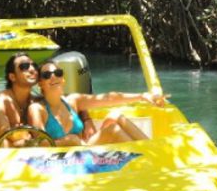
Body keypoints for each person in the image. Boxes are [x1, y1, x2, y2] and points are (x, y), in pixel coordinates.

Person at [28, 60, 167, 146]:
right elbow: (41, 144)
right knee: (113, 130)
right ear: (40, 83)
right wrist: (67, 141)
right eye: (47, 75)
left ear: (63, 79)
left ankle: (151, 150)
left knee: (115, 115)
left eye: (57, 73)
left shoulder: (73, 101)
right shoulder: (37, 109)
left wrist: (142, 96)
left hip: (85, 151)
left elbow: (109, 98)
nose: (53, 77)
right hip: (65, 160)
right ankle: (148, 155)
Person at [0, 54, 41, 147]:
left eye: (34, 66)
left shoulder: (36, 102)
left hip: (32, 157)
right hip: (0, 158)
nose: (32, 70)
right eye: (24, 66)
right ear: (12, 77)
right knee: (5, 143)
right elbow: (6, 135)